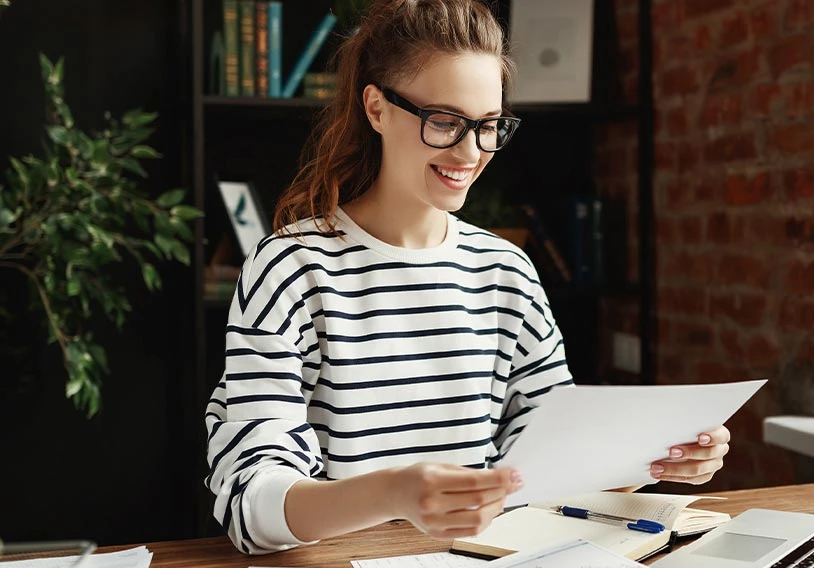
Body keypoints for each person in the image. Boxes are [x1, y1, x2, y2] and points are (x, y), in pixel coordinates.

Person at [204, 0, 732, 555]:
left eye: (487, 126)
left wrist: (653, 459)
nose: (471, 151)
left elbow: (553, 464)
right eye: (445, 122)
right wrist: (394, 493)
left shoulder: (507, 270)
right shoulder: (290, 267)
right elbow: (249, 504)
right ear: (377, 109)